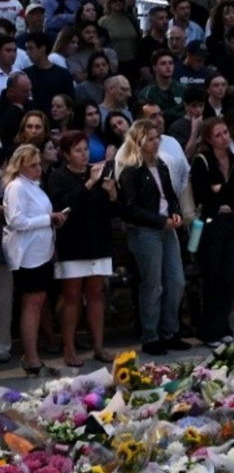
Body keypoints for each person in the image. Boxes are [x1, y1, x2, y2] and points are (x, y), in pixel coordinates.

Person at [116, 119, 188, 356]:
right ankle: (151, 334)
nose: (156, 142)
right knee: (153, 284)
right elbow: (130, 208)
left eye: (157, 137)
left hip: (168, 228)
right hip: (146, 230)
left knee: (176, 281)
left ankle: (170, 330)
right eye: (150, 138)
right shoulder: (131, 171)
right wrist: (160, 221)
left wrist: (175, 214)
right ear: (139, 141)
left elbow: (171, 195)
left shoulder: (162, 165)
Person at [47, 130, 119, 366]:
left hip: (98, 240)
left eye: (85, 149)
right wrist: (89, 184)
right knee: (72, 296)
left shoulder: (98, 173)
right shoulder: (59, 176)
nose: (83, 154)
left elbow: (110, 211)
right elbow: (64, 205)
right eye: (78, 150)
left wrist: (111, 195)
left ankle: (99, 345)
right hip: (72, 242)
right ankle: (69, 348)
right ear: (66, 154)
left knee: (96, 294)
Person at [2, 143, 66, 373]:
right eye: (33, 165)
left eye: (39, 164)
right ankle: (31, 356)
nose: (38, 169)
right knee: (31, 303)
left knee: (37, 303)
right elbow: (16, 220)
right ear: (21, 166)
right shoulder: (17, 187)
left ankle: (33, 354)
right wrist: (47, 219)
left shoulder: (34, 186)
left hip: (41, 252)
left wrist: (53, 220)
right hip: (27, 255)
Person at [189, 116, 234, 345]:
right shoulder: (202, 161)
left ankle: (223, 325)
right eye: (218, 134)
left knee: (230, 276)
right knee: (213, 276)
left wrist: (223, 193)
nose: (224, 137)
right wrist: (231, 191)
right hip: (211, 224)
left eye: (225, 132)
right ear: (209, 139)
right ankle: (209, 329)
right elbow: (204, 195)